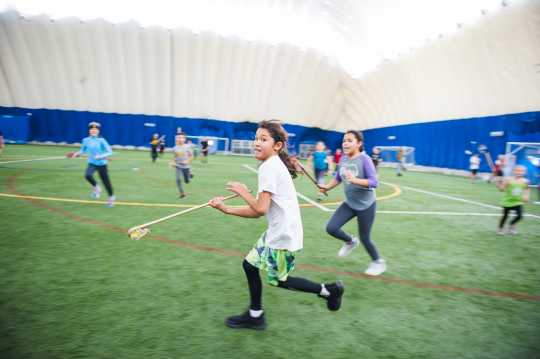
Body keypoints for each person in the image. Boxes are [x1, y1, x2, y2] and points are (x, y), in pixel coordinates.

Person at [208, 120, 344, 331]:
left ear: (277, 145)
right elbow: (257, 211)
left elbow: (260, 209)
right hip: (278, 230)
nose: (256, 143)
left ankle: (329, 290)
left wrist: (242, 193)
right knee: (249, 265)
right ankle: (255, 315)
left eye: (263, 139)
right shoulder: (271, 165)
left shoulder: (269, 167)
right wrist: (226, 209)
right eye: (256, 138)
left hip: (283, 234)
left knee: (280, 280)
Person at [319, 130, 386, 276]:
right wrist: (327, 187)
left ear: (359, 143)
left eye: (350, 140)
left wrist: (355, 180)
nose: (345, 143)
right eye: (344, 140)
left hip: (366, 205)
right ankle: (350, 241)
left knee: (365, 238)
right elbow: (338, 177)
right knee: (331, 228)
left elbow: (374, 182)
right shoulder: (343, 159)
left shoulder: (365, 159)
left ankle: (378, 262)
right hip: (350, 203)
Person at [70, 122, 115, 207]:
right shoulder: (86, 140)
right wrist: (76, 154)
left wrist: (100, 156)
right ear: (89, 131)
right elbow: (82, 150)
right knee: (87, 175)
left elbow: (110, 151)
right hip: (92, 163)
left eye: (96, 129)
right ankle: (97, 188)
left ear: (98, 131)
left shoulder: (101, 140)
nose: (94, 131)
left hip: (102, 164)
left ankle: (111, 198)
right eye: (92, 129)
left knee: (106, 182)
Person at [496, 165, 530, 235]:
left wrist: (526, 196)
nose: (519, 172)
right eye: (517, 171)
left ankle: (511, 224)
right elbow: (502, 189)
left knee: (520, 215)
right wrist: (499, 184)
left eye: (521, 171)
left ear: (525, 172)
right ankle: (500, 228)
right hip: (507, 201)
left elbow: (526, 189)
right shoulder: (509, 180)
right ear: (514, 171)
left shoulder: (526, 181)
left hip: (517, 202)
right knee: (505, 216)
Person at [170, 133, 193, 199]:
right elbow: (175, 157)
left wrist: (187, 161)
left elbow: (191, 156)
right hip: (178, 166)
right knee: (178, 179)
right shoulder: (174, 148)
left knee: (187, 181)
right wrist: (172, 162)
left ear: (184, 139)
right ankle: (182, 194)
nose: (180, 139)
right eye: (178, 137)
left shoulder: (187, 147)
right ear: (176, 139)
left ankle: (189, 174)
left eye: (182, 138)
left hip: (186, 166)